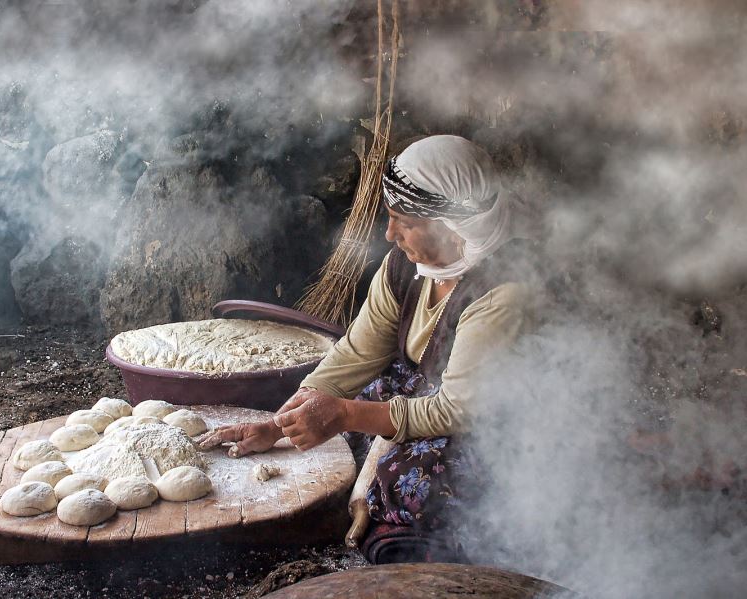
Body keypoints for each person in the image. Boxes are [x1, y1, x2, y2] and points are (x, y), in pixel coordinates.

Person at [198, 134, 538, 562]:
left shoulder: (502, 293)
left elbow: (457, 411)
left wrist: (345, 415)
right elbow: (357, 353)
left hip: (495, 420)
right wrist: (279, 422)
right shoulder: (406, 267)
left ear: (453, 225)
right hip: (423, 396)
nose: (390, 233)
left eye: (404, 221)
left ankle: (417, 548)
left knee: (408, 478)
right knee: (347, 422)